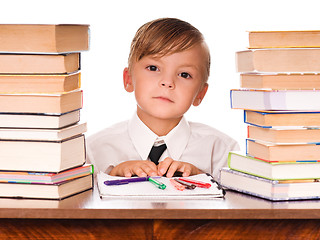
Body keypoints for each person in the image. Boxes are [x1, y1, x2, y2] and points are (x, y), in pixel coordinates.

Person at [86, 17, 239, 180]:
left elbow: (239, 203)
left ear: (200, 93)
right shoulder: (92, 151)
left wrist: (204, 180)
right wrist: (109, 178)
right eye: (153, 68)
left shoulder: (222, 152)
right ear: (128, 79)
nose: (167, 82)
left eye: (184, 74)